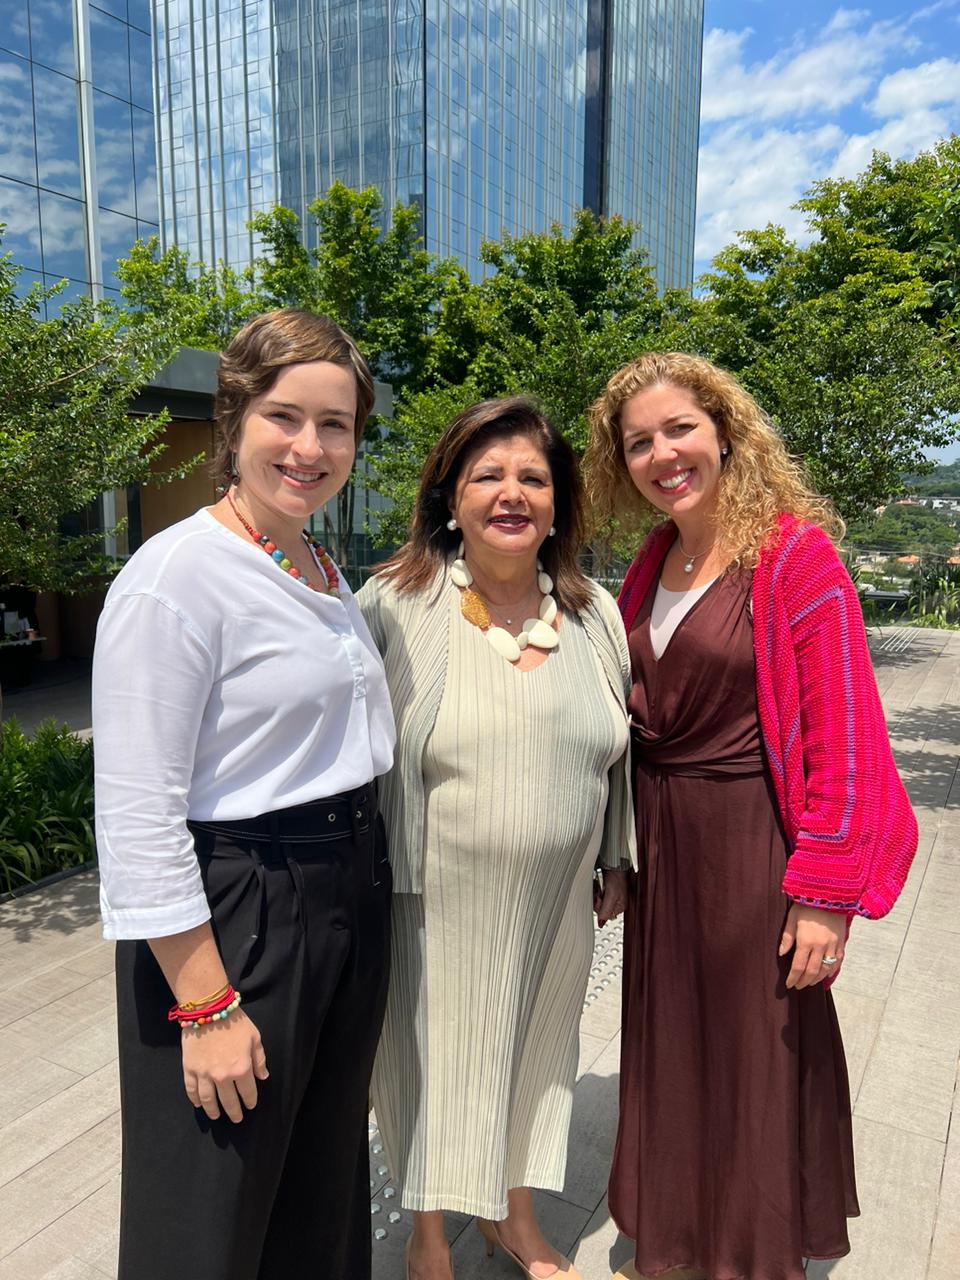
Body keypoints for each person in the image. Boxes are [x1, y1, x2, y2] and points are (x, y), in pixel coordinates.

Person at [583, 352, 918, 1280]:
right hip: (663, 843)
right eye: (639, 441)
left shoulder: (792, 555)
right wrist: (613, 849)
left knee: (755, 1051)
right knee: (672, 1042)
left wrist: (825, 896)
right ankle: (681, 1232)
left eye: (679, 429)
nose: (662, 453)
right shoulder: (650, 563)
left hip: (752, 844)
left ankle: (752, 1250)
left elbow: (844, 733)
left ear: (725, 432)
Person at [92, 309, 395, 1280]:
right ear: (235, 418)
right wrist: (206, 1002)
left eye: (337, 423)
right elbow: (138, 812)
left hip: (343, 884)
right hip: (243, 911)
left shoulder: (312, 560)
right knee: (210, 1214)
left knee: (318, 1191)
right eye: (285, 416)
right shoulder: (175, 578)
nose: (311, 446)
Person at [357, 397, 635, 1280]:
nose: (511, 494)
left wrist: (615, 855)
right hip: (436, 899)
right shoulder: (394, 606)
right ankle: (430, 1237)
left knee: (537, 1054)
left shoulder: (594, 615)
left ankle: (513, 1219)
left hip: (557, 901)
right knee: (439, 1064)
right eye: (488, 476)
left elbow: (620, 757)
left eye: (533, 478)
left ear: (558, 505)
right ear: (449, 497)